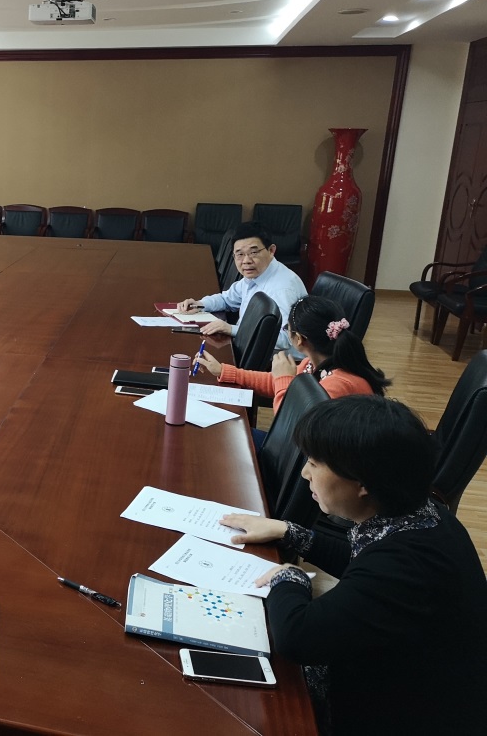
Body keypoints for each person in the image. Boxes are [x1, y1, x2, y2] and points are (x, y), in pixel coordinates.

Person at [221, 396, 487, 736]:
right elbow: (363, 563)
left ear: (363, 483)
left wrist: (289, 577)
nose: (305, 473)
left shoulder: (405, 564)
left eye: (314, 463)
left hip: (400, 714)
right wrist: (290, 532)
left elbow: (298, 637)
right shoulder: (424, 516)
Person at [194, 295, 390, 414]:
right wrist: (224, 371)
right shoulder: (314, 364)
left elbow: (293, 426)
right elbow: (272, 382)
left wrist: (284, 379)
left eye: (287, 328)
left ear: (299, 339)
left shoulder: (337, 385)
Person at [177, 221, 307, 355]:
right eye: (239, 254)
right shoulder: (256, 274)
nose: (246, 261)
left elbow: (286, 340)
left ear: (271, 250)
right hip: (250, 347)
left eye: (254, 252)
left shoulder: (282, 289)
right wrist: (200, 304)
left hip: (276, 360)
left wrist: (232, 329)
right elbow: (227, 299)